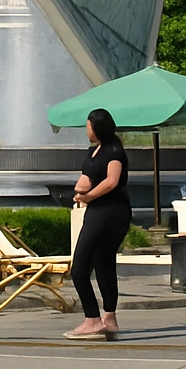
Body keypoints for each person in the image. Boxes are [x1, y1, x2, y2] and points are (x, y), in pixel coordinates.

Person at [66, 108, 130, 341]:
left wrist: (89, 196)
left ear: (97, 127)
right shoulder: (95, 151)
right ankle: (109, 318)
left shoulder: (114, 151)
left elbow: (112, 181)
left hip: (110, 212)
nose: (87, 130)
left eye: (89, 126)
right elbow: (89, 176)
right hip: (96, 210)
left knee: (80, 265)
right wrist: (79, 193)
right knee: (102, 262)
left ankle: (92, 319)